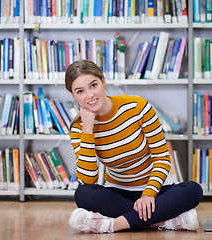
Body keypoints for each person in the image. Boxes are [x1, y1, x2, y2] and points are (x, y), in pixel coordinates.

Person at [65, 59, 203, 233]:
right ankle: (166, 221)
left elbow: (162, 158)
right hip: (118, 193)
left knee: (192, 190)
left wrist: (148, 194)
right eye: (80, 91)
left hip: (156, 190)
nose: (89, 95)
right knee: (83, 194)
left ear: (103, 81)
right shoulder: (79, 127)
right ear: (73, 95)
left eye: (93, 85)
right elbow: (88, 179)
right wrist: (87, 129)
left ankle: (111, 225)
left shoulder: (138, 107)